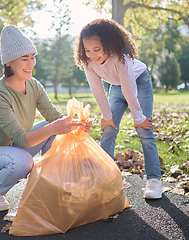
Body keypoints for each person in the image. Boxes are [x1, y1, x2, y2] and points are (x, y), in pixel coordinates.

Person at [0, 25, 91, 211]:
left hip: (12, 148)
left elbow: (54, 117)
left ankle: (51, 184)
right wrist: (54, 127)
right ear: (8, 62)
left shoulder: (34, 85)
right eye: (24, 59)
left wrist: (76, 124)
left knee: (53, 133)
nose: (31, 63)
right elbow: (22, 140)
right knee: (24, 161)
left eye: (33, 57)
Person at [74, 19, 162, 199]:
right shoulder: (88, 62)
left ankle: (154, 180)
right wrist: (107, 116)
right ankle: (105, 179)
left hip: (139, 82)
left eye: (97, 49)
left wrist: (138, 117)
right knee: (108, 129)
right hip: (115, 87)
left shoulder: (121, 57)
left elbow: (129, 89)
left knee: (144, 130)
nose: (92, 54)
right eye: (87, 50)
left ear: (108, 44)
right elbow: (97, 90)